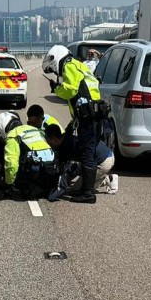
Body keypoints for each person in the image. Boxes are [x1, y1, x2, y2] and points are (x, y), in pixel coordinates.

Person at [41, 44, 107, 203]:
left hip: (88, 117)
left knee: (87, 154)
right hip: (94, 115)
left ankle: (88, 194)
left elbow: (70, 90)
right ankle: (86, 190)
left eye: (54, 69)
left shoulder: (69, 66)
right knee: (88, 152)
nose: (57, 73)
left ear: (55, 58)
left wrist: (57, 89)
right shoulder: (80, 65)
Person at [44, 123, 118, 197]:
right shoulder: (65, 137)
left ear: (54, 139)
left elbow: (63, 170)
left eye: (49, 141)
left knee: (78, 189)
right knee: (77, 177)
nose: (49, 144)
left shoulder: (67, 146)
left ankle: (109, 179)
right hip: (95, 157)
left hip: (104, 160)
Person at [1, 122, 58, 200]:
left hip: (35, 169)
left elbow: (12, 163)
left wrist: (8, 184)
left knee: (19, 161)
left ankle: (28, 186)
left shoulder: (13, 135)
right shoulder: (37, 130)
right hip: (52, 167)